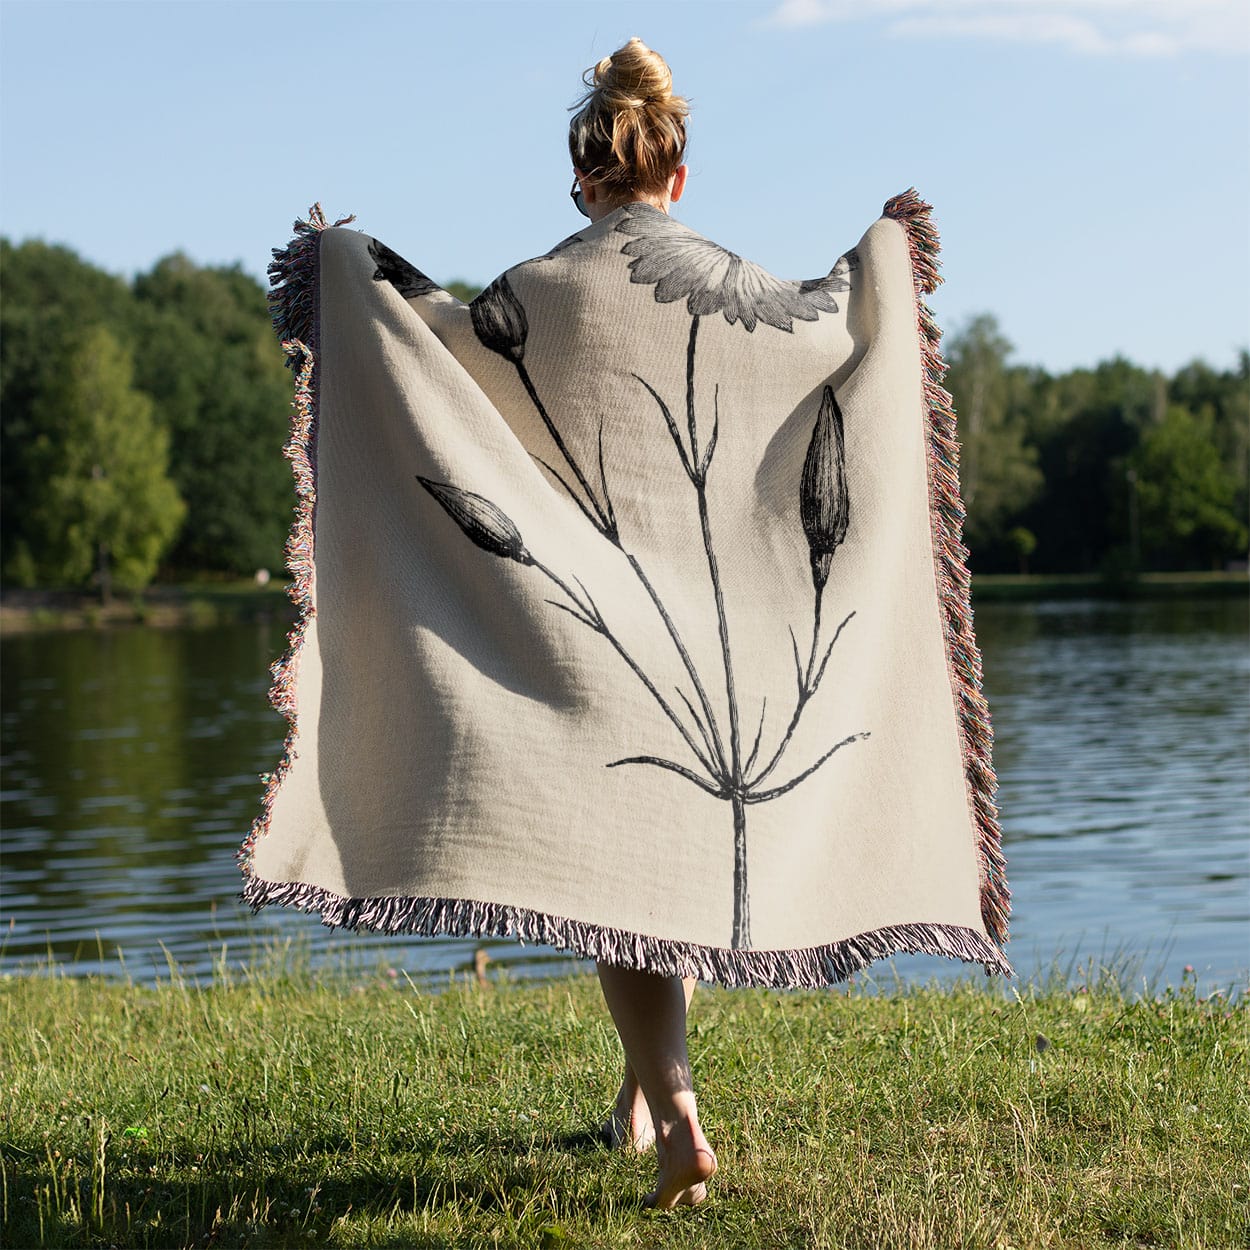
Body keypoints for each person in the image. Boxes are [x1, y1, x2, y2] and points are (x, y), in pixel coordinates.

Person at [567, 37, 717, 1211]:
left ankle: (675, 1116)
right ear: (676, 173)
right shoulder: (732, 285)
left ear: (584, 180)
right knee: (661, 867)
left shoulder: (538, 285)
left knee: (615, 881)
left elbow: (443, 378)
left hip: (591, 620)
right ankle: (633, 1099)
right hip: (711, 624)